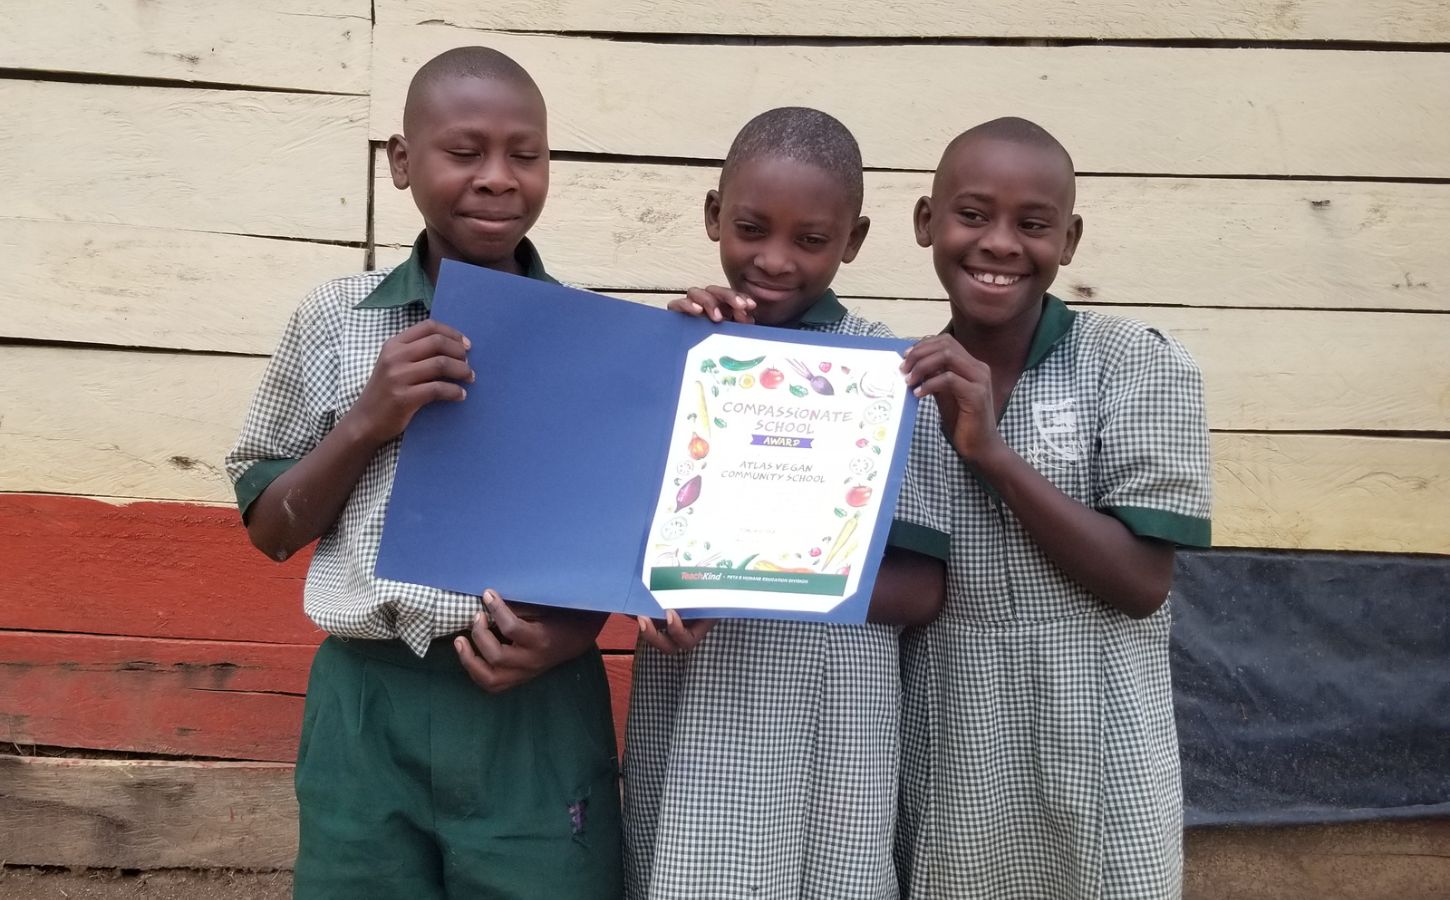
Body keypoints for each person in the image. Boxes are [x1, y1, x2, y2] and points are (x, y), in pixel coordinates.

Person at [225, 47, 621, 900]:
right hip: (367, 705)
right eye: (464, 150)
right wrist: (369, 419)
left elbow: (616, 534)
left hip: (531, 706)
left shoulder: (588, 337)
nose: (498, 178)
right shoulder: (335, 320)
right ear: (403, 163)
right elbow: (270, 529)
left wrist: (575, 631)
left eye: (526, 153)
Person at [623, 106, 950, 900]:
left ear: (855, 239)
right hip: (700, 693)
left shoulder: (893, 378)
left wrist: (747, 581)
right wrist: (658, 594)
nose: (774, 261)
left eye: (810, 240)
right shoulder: (682, 350)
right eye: (751, 229)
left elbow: (923, 587)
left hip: (833, 713)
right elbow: (624, 539)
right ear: (712, 216)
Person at [893, 117, 1213, 899]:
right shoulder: (893, 389)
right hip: (955, 740)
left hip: (1103, 740)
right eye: (972, 214)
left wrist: (992, 455)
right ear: (926, 221)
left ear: (1067, 240)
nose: (1000, 244)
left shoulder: (1135, 363)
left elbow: (1142, 583)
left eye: (1032, 225)